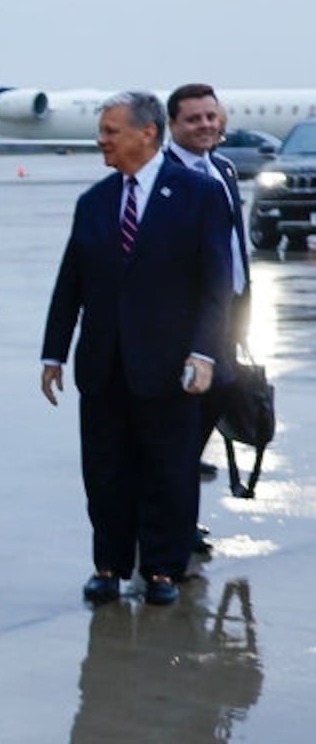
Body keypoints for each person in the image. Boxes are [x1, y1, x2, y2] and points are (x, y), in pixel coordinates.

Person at [40, 91, 232, 607]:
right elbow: (70, 284)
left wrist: (205, 352)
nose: (101, 140)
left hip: (170, 364)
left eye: (110, 130)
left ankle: (165, 569)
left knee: (168, 468)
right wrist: (53, 353)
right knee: (104, 470)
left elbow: (217, 285)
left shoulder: (197, 195)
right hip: (104, 364)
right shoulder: (95, 201)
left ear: (147, 133)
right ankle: (109, 565)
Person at [165, 84, 252, 532]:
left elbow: (235, 247)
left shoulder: (224, 169)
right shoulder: (163, 176)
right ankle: (166, 523)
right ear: (173, 125)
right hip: (189, 323)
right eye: (194, 119)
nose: (205, 126)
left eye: (210, 117)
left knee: (201, 428)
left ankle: (182, 519)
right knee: (177, 429)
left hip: (228, 317)